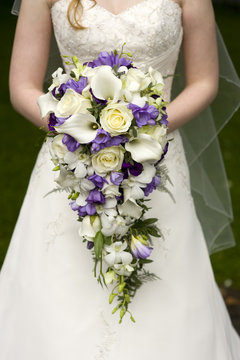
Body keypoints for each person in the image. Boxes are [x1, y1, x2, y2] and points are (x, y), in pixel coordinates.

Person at [0, 0, 239, 358]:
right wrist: (74, 130)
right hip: (73, 159)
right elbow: (21, 85)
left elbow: (205, 81)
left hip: (155, 158)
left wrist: (143, 130)